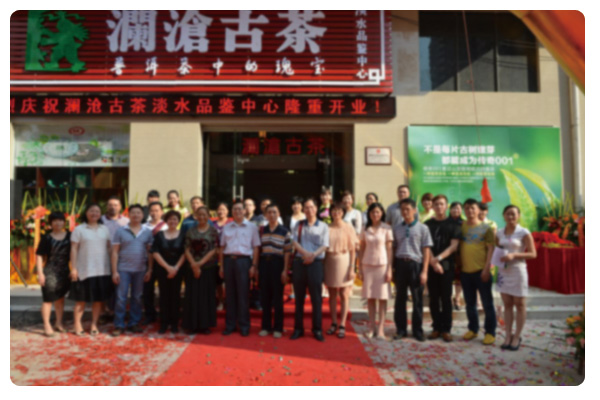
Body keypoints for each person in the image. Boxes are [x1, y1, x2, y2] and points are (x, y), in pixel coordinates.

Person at [496, 205, 537, 351]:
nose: (510, 217)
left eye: (513, 214)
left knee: (520, 305)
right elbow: (497, 251)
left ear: (518, 216)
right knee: (507, 305)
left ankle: (517, 336)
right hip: (503, 272)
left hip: (518, 270)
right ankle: (508, 335)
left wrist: (514, 255)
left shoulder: (523, 232)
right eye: (508, 214)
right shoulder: (499, 233)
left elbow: (533, 254)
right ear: (503, 216)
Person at [392, 198, 433, 342]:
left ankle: (417, 330)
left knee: (417, 300)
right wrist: (393, 268)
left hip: (416, 265)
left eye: (408, 209)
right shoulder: (396, 228)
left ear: (415, 210)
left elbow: (426, 250)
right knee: (400, 299)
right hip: (400, 265)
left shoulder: (423, 228)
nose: (405, 212)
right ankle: (401, 329)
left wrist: (425, 271)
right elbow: (394, 249)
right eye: (402, 209)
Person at [69, 203, 113, 336]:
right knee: (81, 300)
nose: (94, 213)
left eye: (97, 211)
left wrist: (113, 266)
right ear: (86, 213)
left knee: (98, 300)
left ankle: (94, 324)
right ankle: (77, 324)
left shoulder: (105, 229)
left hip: (102, 269)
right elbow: (74, 249)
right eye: (91, 211)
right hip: (84, 270)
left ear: (100, 214)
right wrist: (74, 268)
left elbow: (109, 248)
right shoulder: (79, 229)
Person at [219, 201, 261, 337]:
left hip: (244, 262)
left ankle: (244, 325)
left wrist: (254, 266)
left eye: (239, 209)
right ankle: (230, 325)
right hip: (228, 261)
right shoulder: (226, 227)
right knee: (230, 294)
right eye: (234, 209)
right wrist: (221, 266)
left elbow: (256, 247)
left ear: (244, 211)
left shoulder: (252, 227)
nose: (237, 211)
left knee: (243, 295)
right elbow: (221, 248)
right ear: (232, 212)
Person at [290, 197, 330, 342]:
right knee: (299, 298)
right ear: (303, 209)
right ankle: (298, 329)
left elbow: (325, 245)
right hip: (300, 263)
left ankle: (317, 329)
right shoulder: (299, 224)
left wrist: (312, 255)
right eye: (306, 207)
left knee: (316, 299)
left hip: (316, 264)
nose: (309, 210)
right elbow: (294, 242)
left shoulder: (323, 226)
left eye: (311, 207)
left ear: (316, 208)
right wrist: (306, 254)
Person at [111, 204, 154, 336]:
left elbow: (150, 252)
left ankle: (134, 323)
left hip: (140, 270)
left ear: (143, 215)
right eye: (133, 212)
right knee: (121, 298)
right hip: (123, 269)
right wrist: (114, 271)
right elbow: (114, 252)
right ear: (128, 215)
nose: (136, 215)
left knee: (137, 297)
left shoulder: (147, 231)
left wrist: (150, 269)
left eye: (138, 213)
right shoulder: (120, 231)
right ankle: (119, 324)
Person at [460, 198, 496, 345]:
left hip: (481, 272)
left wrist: (486, 269)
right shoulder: (461, 226)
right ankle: (473, 329)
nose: (469, 211)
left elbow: (491, 250)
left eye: (472, 208)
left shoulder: (486, 228)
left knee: (487, 304)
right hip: (465, 272)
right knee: (470, 304)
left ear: (479, 210)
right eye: (467, 208)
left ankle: (490, 332)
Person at [425, 195, 461, 342]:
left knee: (446, 298)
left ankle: (446, 329)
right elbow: (426, 245)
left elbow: (454, 246)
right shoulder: (427, 224)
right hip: (431, 265)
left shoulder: (454, 224)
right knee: (433, 298)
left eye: (442, 204)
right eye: (436, 204)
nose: (439, 207)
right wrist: (433, 262)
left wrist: (438, 259)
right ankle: (436, 328)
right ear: (432, 207)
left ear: (446, 206)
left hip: (446, 265)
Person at [358, 202, 393, 339]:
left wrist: (389, 269)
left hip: (382, 265)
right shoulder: (365, 228)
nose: (375, 214)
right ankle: (372, 327)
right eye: (373, 212)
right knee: (370, 297)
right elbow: (361, 248)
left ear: (382, 213)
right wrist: (360, 268)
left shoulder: (387, 228)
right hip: (367, 265)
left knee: (382, 298)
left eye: (378, 212)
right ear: (369, 214)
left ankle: (381, 329)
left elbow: (389, 250)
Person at [183, 206, 220, 334]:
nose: (202, 217)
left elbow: (214, 250)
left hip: (208, 268)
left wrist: (199, 264)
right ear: (196, 216)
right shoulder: (190, 231)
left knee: (206, 296)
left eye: (204, 215)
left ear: (208, 216)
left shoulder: (213, 231)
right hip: (191, 268)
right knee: (192, 296)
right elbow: (186, 249)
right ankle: (191, 325)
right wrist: (194, 265)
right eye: (200, 215)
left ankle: (205, 325)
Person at [257, 204, 292, 338]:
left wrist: (285, 270)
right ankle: (266, 327)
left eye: (274, 212)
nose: (272, 215)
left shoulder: (284, 231)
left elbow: (288, 252)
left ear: (279, 214)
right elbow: (258, 249)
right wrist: (257, 267)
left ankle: (278, 327)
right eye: (269, 212)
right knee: (265, 297)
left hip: (278, 264)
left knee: (277, 298)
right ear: (265, 215)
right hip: (264, 264)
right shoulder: (261, 230)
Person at [324, 202, 357, 339]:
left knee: (344, 294)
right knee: (332, 294)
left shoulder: (348, 227)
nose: (336, 213)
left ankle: (342, 324)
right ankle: (333, 323)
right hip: (329, 261)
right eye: (334, 210)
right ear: (330, 212)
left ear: (343, 213)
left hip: (344, 261)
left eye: (339, 211)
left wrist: (352, 267)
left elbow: (353, 250)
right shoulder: (326, 228)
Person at [36, 211, 71, 337]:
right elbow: (39, 255)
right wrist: (40, 273)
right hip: (50, 271)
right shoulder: (46, 238)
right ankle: (46, 325)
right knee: (48, 300)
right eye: (55, 220)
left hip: (65, 271)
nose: (58, 223)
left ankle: (58, 323)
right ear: (50, 223)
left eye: (60, 220)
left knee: (60, 298)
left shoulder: (70, 236)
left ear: (64, 222)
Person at [151, 210, 186, 334]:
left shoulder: (183, 234)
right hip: (162, 269)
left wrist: (175, 268)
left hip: (178, 269)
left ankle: (174, 323)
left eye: (175, 219)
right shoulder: (159, 235)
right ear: (166, 221)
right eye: (170, 219)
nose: (173, 221)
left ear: (178, 221)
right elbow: (155, 252)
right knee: (164, 295)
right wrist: (167, 267)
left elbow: (185, 253)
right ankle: (164, 323)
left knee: (175, 295)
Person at [142, 201, 167, 325]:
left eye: (157, 210)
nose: (154, 213)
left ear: (162, 212)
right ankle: (149, 314)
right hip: (146, 262)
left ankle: (164, 315)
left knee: (164, 290)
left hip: (162, 262)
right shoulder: (143, 227)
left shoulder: (166, 226)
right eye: (152, 210)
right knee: (147, 290)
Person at [284, 196, 305, 302]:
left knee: (304, 268)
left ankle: (304, 291)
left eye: (298, 204)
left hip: (305, 246)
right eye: (294, 204)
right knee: (293, 269)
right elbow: (287, 232)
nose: (296, 206)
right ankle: (293, 291)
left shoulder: (306, 216)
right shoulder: (288, 218)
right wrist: (291, 243)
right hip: (292, 246)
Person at [449, 201, 465, 311]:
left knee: (459, 278)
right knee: (448, 278)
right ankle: (449, 298)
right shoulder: (445, 222)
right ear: (450, 210)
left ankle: (457, 299)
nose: (456, 210)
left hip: (461, 254)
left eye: (458, 208)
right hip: (447, 254)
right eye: (453, 208)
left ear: (461, 210)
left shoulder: (464, 223)